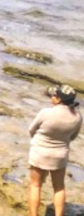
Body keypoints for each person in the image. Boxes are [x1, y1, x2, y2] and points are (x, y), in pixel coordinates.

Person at [28, 84, 83, 216]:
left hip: (40, 152)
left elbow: (31, 130)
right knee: (59, 187)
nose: (51, 97)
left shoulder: (46, 113)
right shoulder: (77, 116)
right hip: (60, 155)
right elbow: (73, 137)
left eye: (53, 95)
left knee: (35, 185)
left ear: (58, 99)